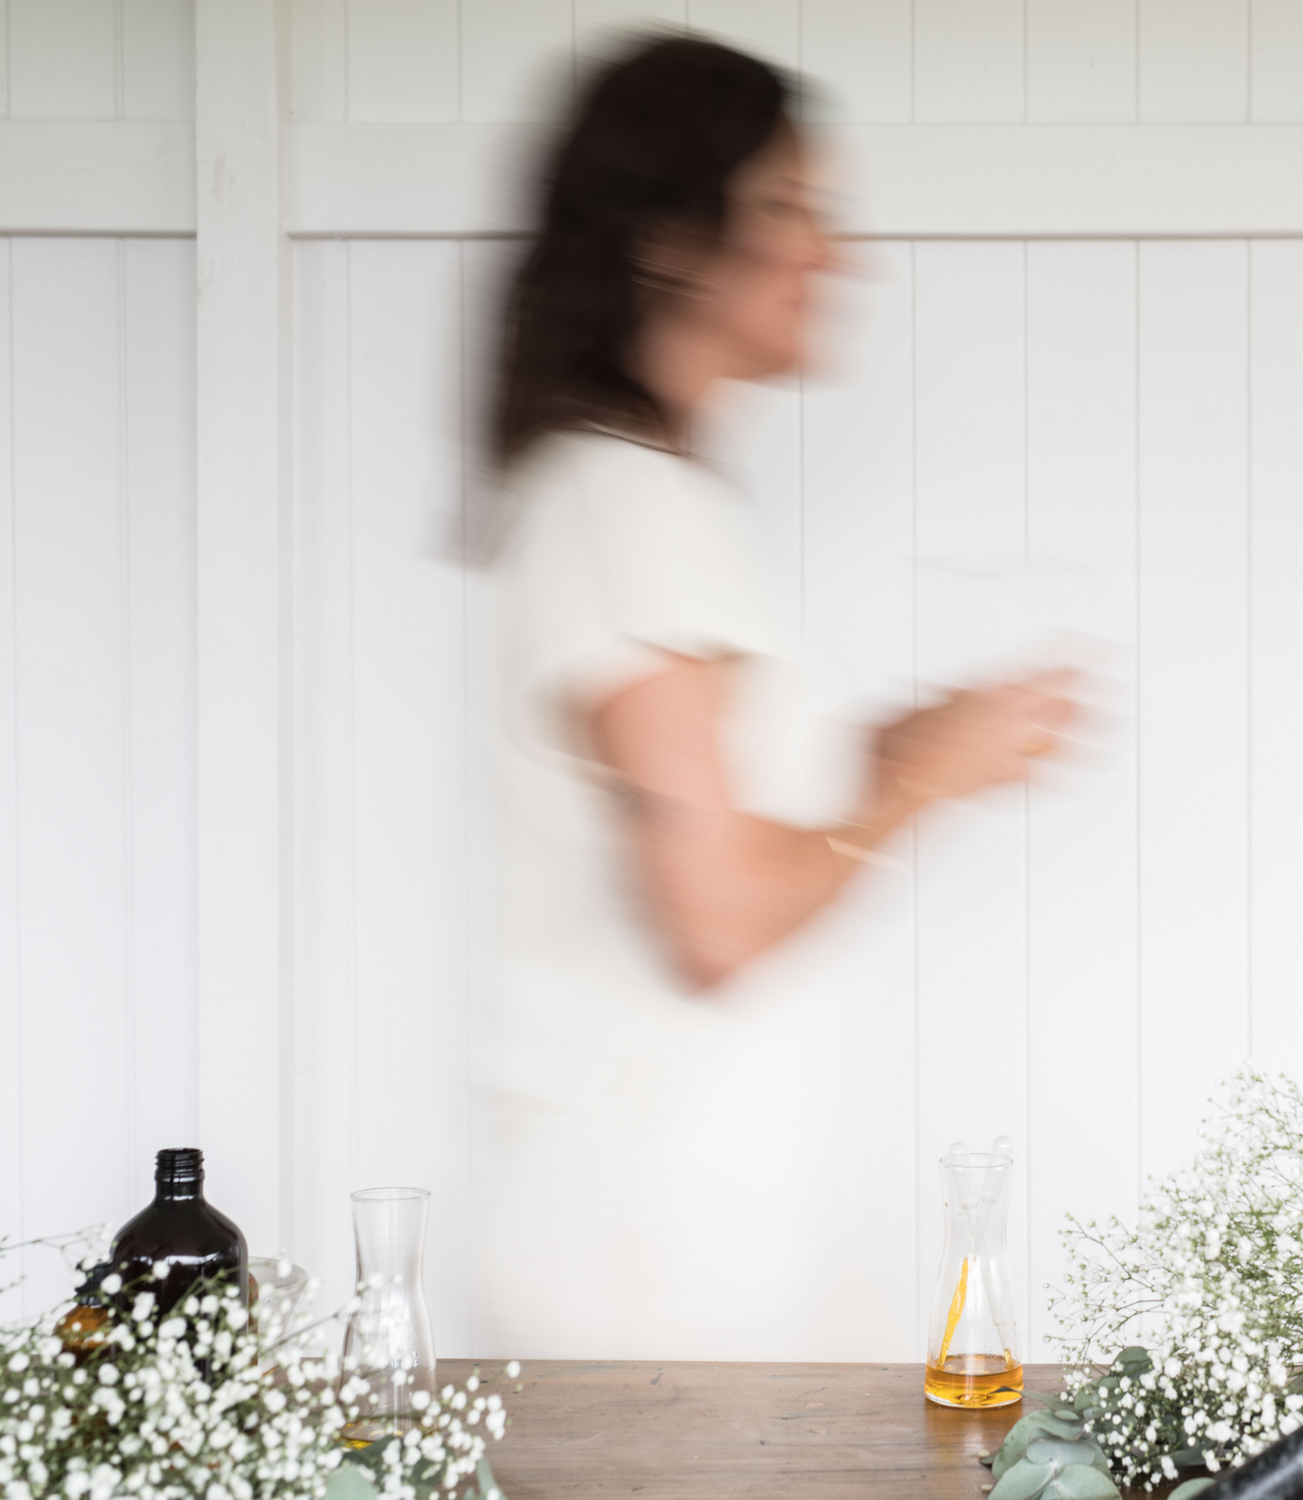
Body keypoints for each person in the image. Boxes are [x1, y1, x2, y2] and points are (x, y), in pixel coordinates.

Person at [473, 34, 1074, 1362]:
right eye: (793, 211)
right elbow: (722, 918)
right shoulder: (626, 508)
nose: (834, 255)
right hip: (657, 1294)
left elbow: (706, 806)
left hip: (700, 1273)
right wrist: (920, 781)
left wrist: (895, 748)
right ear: (673, 241)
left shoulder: (645, 501)